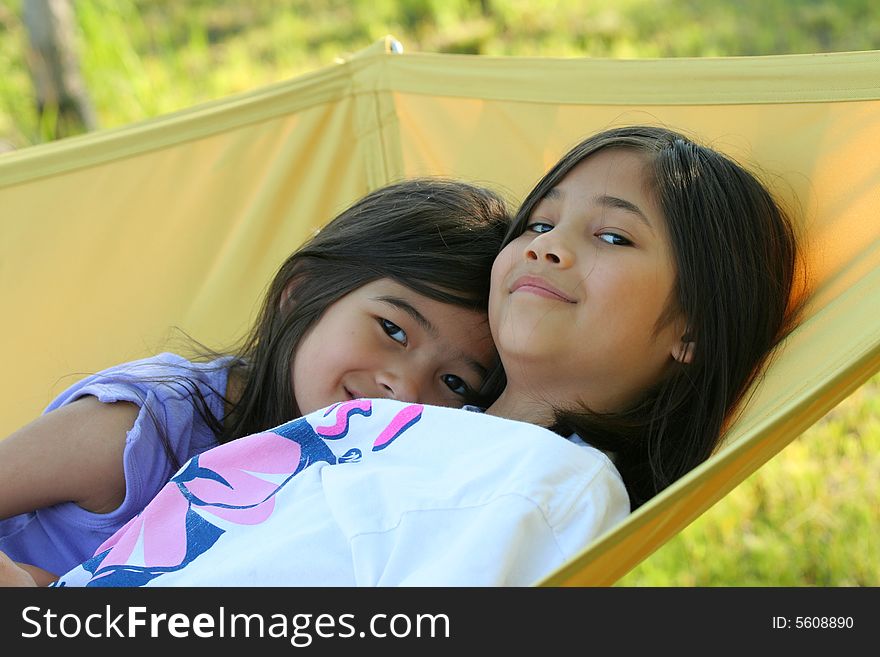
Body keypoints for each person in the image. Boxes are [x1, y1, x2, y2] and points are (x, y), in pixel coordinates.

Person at [4, 124, 802, 587]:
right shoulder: (382, 433)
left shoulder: (550, 485)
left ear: (690, 330)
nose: (551, 248)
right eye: (539, 224)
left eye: (612, 235)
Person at [0, 178, 512, 584]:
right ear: (302, 293)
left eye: (455, 382)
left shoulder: (371, 488)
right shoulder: (144, 428)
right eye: (392, 329)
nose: (404, 388)